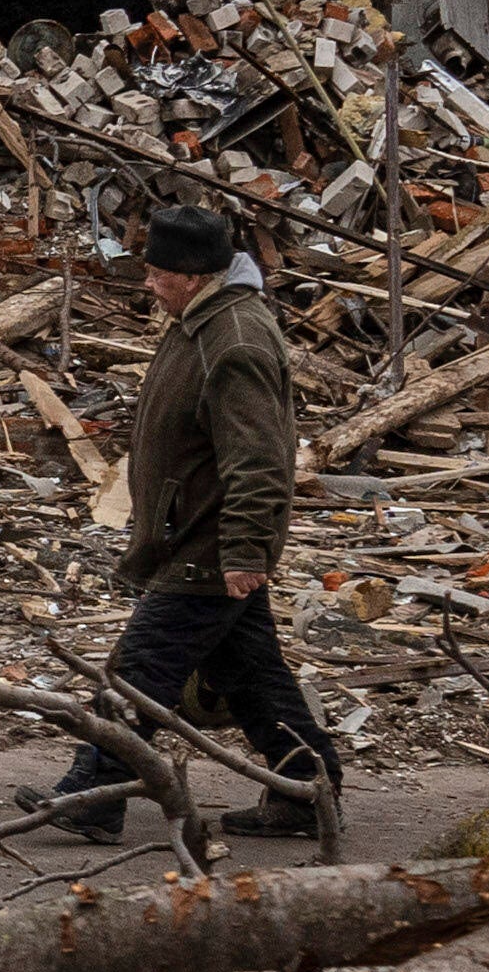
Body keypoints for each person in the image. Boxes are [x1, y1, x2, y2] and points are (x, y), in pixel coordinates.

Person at [41, 197, 336, 846]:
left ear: (196, 276)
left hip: (207, 543)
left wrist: (246, 551)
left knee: (138, 670)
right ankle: (308, 791)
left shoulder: (234, 341)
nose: (147, 285)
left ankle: (94, 792)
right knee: (254, 678)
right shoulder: (203, 320)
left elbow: (259, 458)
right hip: (194, 535)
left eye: (158, 275)